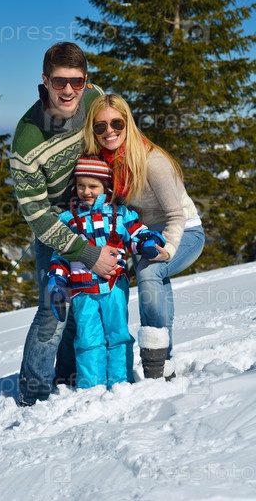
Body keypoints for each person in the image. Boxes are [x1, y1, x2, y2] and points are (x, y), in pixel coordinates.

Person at [10, 43, 119, 406]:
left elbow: (115, 136)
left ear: (86, 81)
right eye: (59, 82)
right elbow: (38, 216)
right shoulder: (27, 141)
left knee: (87, 300)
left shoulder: (94, 99)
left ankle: (68, 378)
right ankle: (33, 395)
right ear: (45, 81)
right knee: (54, 309)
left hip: (96, 214)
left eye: (76, 81)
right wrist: (87, 254)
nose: (69, 90)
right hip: (56, 224)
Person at [77, 93, 205, 380]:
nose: (109, 131)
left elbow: (176, 216)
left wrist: (168, 248)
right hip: (145, 236)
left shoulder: (152, 162)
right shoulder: (104, 163)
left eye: (116, 123)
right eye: (100, 126)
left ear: (128, 123)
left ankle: (154, 366)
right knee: (156, 280)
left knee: (150, 271)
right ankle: (166, 364)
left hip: (185, 232)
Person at [47, 155, 165, 389]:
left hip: (115, 285)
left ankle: (121, 383)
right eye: (81, 185)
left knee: (118, 334)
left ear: (106, 187)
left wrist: (147, 243)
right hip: (82, 290)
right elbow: (61, 254)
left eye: (93, 186)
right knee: (88, 338)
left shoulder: (120, 214)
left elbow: (137, 235)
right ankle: (92, 387)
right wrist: (57, 281)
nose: (86, 191)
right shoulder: (68, 220)